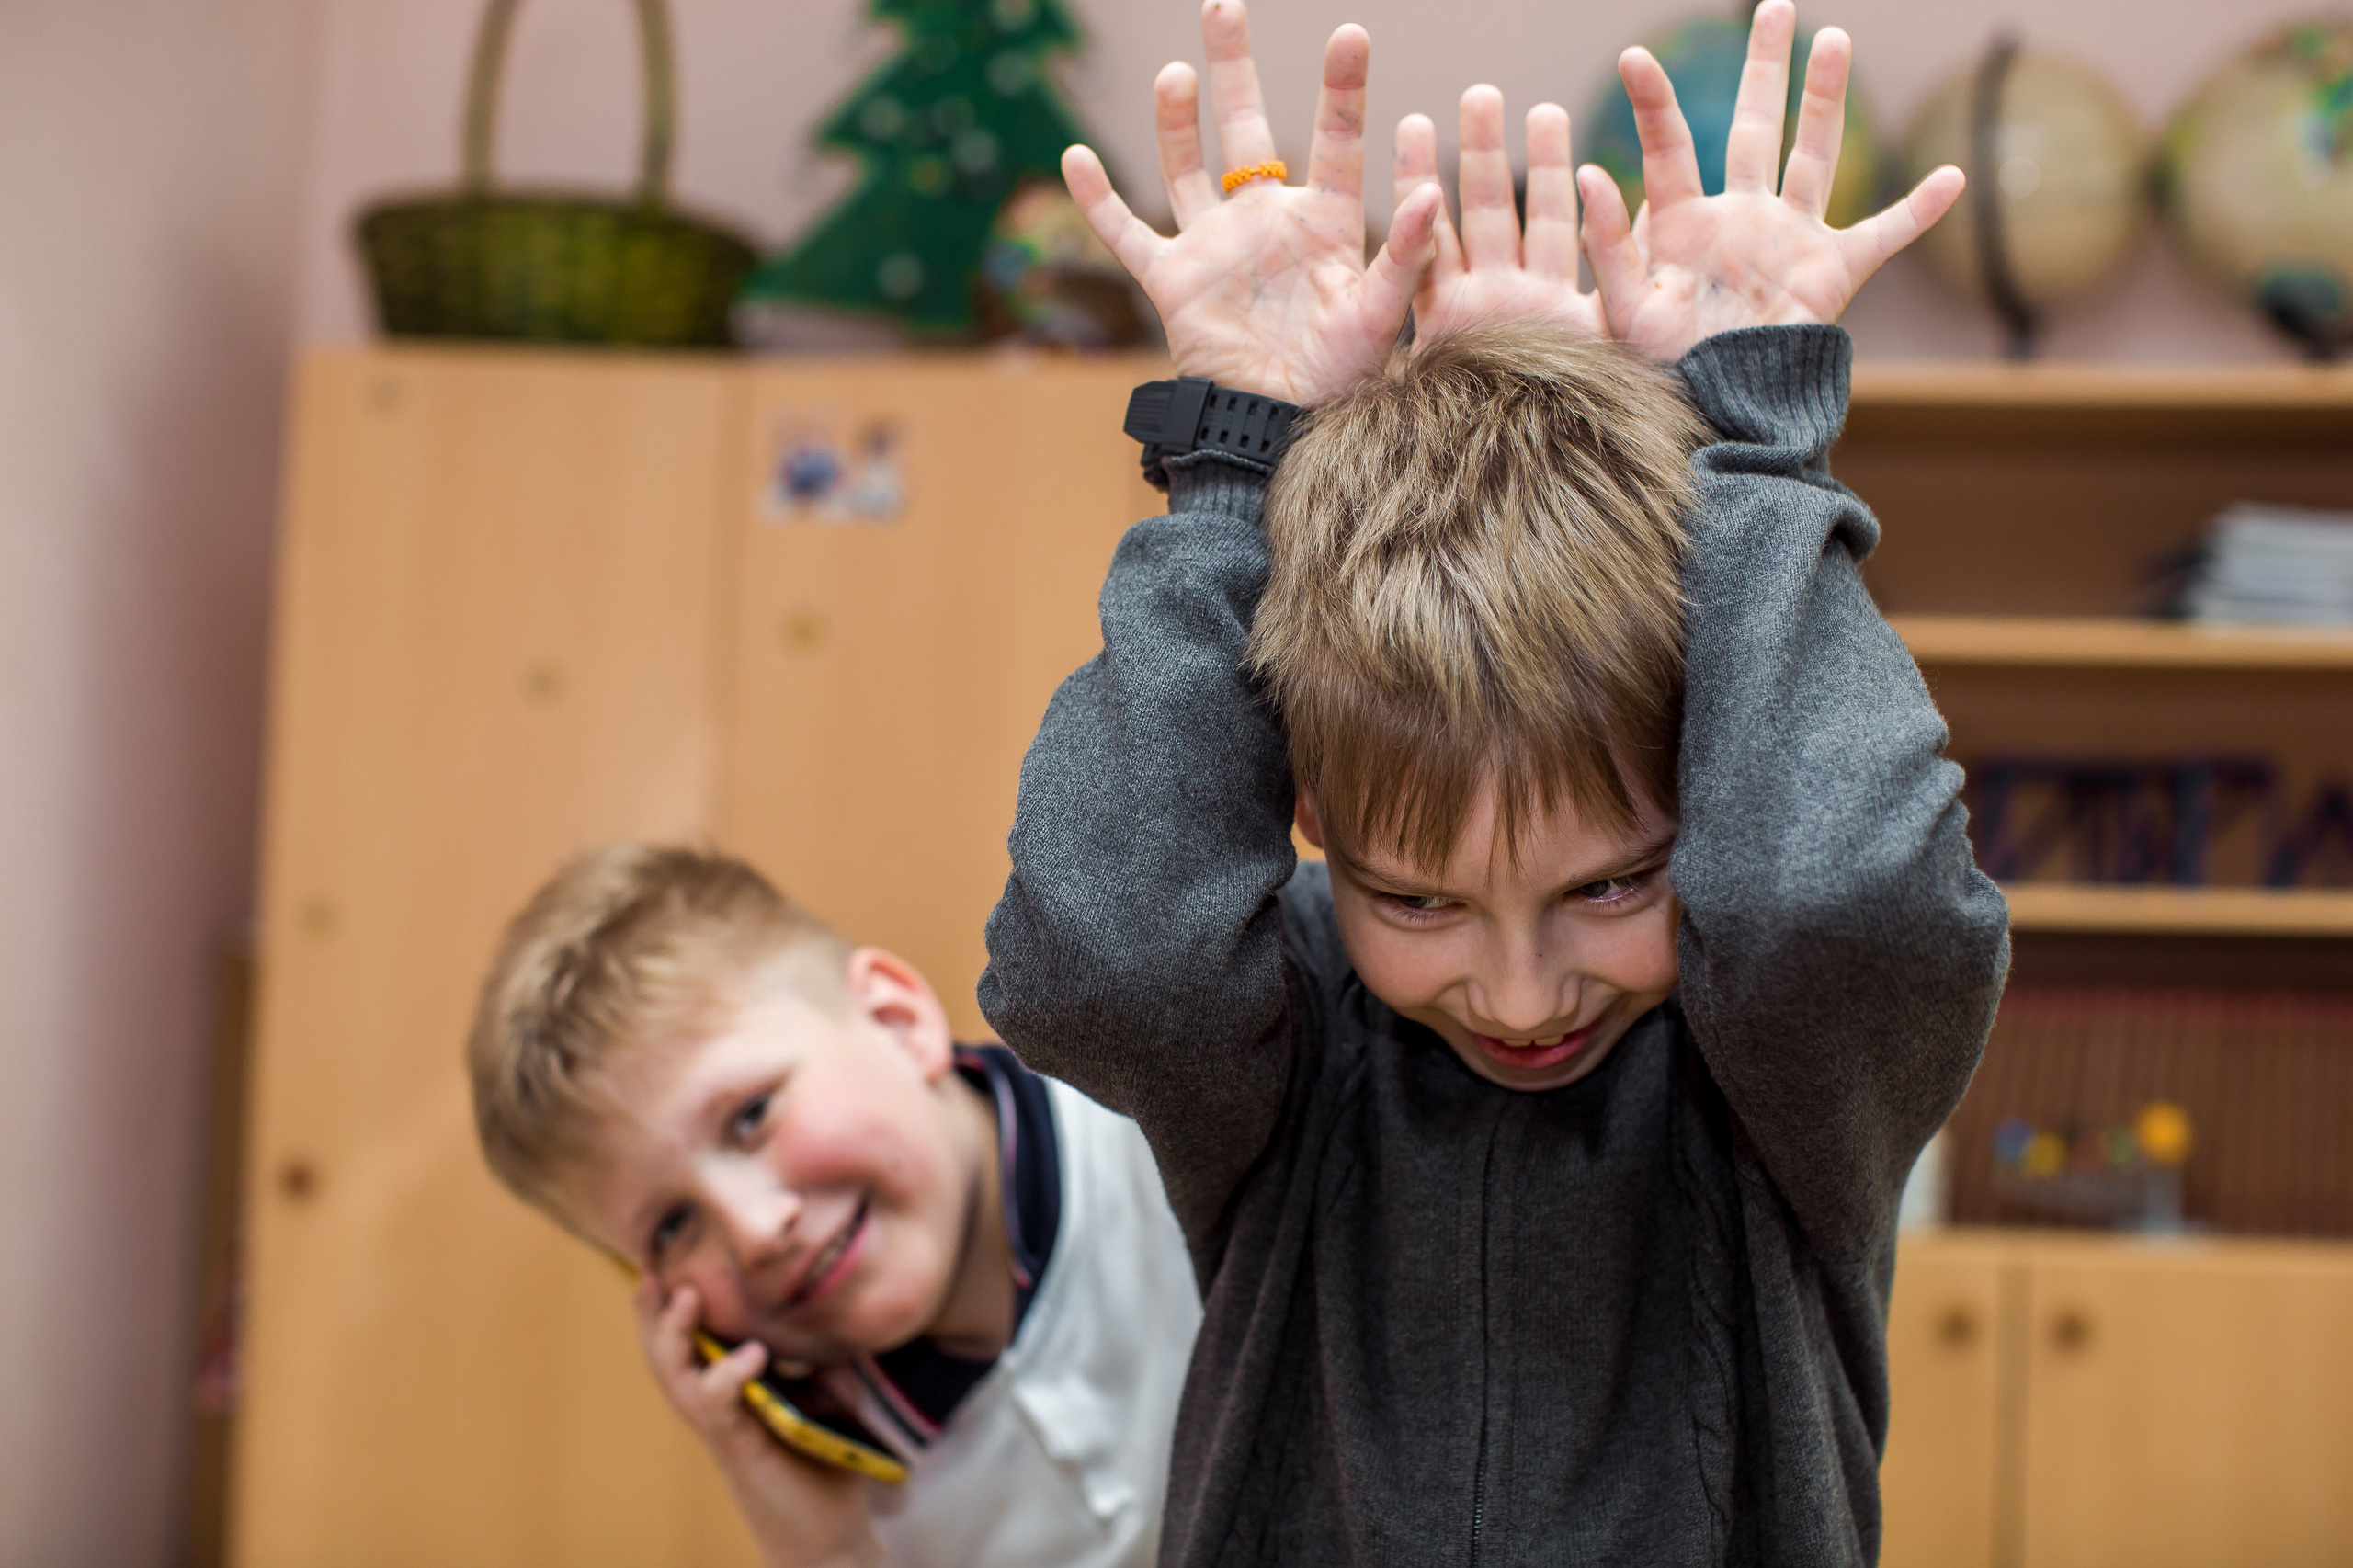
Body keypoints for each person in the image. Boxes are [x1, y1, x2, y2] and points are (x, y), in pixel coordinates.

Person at [980, 2, 2009, 1562]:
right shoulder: (1281, 1021)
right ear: (1309, 820)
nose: (1523, 993)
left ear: (1719, 781)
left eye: (1615, 882)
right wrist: (1234, 462)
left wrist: (1756, 448)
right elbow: (1107, 964)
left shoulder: (1781, 1052)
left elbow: (1835, 897)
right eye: (1417, 900)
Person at [466, 844, 1199, 1568]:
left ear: (897, 1022)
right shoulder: (846, 1499)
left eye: (751, 1116)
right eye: (672, 1225)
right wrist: (825, 1550)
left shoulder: (1170, 1124)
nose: (754, 1231)